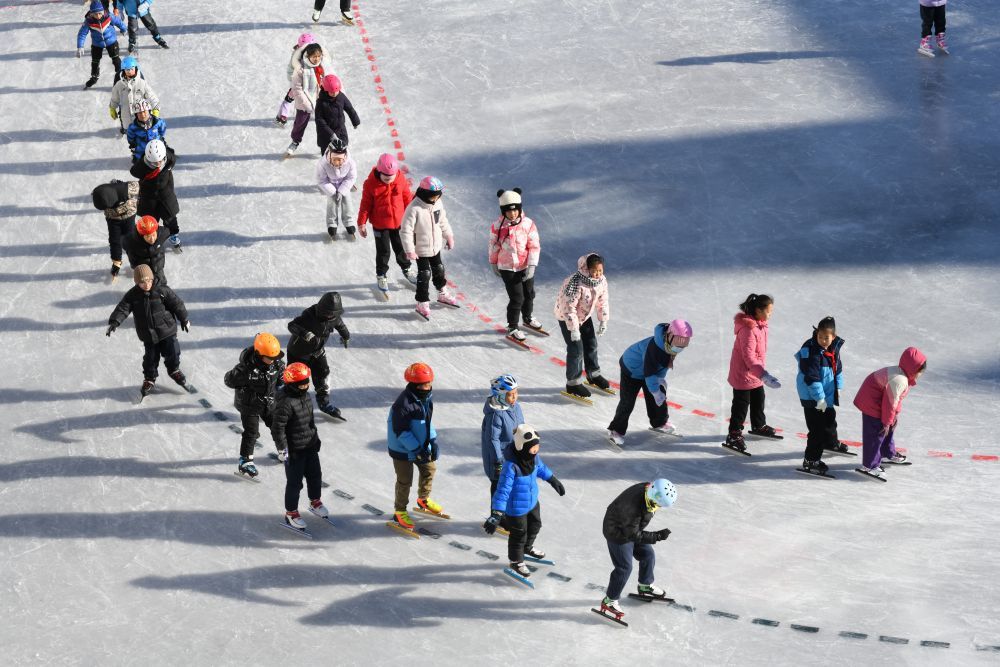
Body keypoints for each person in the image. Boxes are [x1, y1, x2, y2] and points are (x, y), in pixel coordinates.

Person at [483, 424, 565, 578]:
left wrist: (552, 479)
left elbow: (541, 468)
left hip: (532, 501)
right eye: (533, 448)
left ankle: (527, 548)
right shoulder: (511, 466)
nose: (536, 450)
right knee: (519, 534)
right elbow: (502, 490)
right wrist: (496, 513)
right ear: (522, 447)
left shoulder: (533, 458)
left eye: (537, 446)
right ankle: (516, 561)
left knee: (536, 525)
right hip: (516, 508)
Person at [597, 479, 676, 622]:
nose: (659, 507)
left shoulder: (649, 490)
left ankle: (645, 585)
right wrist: (657, 536)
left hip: (630, 527)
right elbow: (633, 535)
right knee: (624, 568)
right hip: (617, 533)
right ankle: (609, 601)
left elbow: (635, 529)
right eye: (659, 504)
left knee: (648, 554)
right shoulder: (632, 508)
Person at [105, 263, 190, 397]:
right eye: (142, 282)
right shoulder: (133, 295)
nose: (146, 284)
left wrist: (184, 319)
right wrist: (115, 322)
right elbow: (123, 308)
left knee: (173, 351)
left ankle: (174, 370)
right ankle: (149, 379)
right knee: (150, 358)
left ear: (152, 278)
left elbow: (177, 304)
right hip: (148, 334)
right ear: (137, 282)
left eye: (148, 280)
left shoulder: (162, 290)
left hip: (167, 329)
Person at [607, 320, 692, 447]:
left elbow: (662, 366)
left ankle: (659, 422)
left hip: (646, 371)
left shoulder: (669, 346)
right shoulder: (654, 348)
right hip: (631, 370)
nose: (678, 349)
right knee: (628, 401)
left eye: (682, 346)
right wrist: (655, 390)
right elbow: (650, 373)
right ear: (669, 336)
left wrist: (660, 382)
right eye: (677, 345)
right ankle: (616, 430)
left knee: (658, 396)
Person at [271, 362, 330, 530]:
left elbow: (310, 419)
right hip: (294, 450)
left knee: (315, 475)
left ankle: (315, 502)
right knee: (295, 483)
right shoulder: (285, 402)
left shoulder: (305, 395)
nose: (306, 384)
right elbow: (278, 428)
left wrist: (316, 438)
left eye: (307, 381)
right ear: (293, 383)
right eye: (303, 382)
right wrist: (282, 449)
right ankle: (291, 513)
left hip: (310, 445)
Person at [853, 347, 927, 478]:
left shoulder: (903, 376)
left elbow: (895, 400)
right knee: (877, 432)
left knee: (889, 425)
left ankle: (887, 453)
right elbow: (889, 402)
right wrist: (886, 421)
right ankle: (870, 466)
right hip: (871, 402)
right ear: (913, 369)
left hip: (878, 400)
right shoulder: (900, 380)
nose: (921, 374)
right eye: (920, 371)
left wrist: (894, 416)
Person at [387, 362, 442, 531]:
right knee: (405, 481)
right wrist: (417, 449)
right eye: (425, 384)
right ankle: (399, 511)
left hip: (421, 444)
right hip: (402, 449)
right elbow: (401, 432)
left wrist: (432, 440)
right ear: (416, 385)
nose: (429, 387)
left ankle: (423, 499)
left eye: (430, 383)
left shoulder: (425, 398)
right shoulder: (402, 404)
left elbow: (426, 422)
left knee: (429, 469)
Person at [224, 333, 286, 479]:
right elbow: (228, 380)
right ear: (258, 354)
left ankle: (284, 451)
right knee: (251, 432)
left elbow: (280, 380)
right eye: (269, 358)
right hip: (249, 405)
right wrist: (239, 378)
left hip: (269, 401)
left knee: (278, 425)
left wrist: (282, 385)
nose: (272, 361)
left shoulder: (277, 364)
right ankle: (245, 461)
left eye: (275, 357)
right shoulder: (246, 369)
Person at [725, 293, 781, 453]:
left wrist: (760, 373)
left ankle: (758, 425)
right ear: (758, 310)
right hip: (743, 373)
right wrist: (763, 374)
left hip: (755, 372)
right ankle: (734, 434)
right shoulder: (748, 329)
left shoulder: (760, 325)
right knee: (741, 405)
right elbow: (748, 357)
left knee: (758, 397)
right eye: (768, 311)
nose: (770, 314)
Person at [357, 153, 416, 295]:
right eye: (385, 178)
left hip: (399, 222)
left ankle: (406, 268)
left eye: (391, 178)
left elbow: (407, 198)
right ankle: (381, 274)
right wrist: (361, 223)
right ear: (379, 172)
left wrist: (414, 215)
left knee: (401, 247)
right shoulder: (370, 184)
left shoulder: (400, 179)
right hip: (380, 224)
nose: (389, 180)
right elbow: (365, 205)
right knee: (384, 251)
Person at [286, 292, 351, 419]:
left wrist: (346, 336)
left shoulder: (334, 317)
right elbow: (292, 325)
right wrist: (305, 333)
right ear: (321, 308)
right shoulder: (309, 315)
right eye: (327, 313)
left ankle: (323, 402)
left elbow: (340, 325)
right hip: (299, 352)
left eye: (332, 314)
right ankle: (287, 402)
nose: (330, 316)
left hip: (318, 351)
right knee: (296, 379)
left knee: (323, 373)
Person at [400, 176, 457, 319]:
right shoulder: (414, 208)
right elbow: (405, 230)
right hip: (421, 249)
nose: (435, 198)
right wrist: (409, 250)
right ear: (424, 193)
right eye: (433, 196)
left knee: (439, 269)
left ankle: (442, 292)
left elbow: (442, 221)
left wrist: (448, 236)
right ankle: (422, 301)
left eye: (438, 196)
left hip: (435, 246)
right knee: (424, 274)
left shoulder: (438, 203)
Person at [554, 253, 610, 398]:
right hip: (567, 317)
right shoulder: (574, 283)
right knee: (576, 350)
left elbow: (602, 302)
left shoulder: (601, 281)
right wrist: (573, 330)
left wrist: (603, 320)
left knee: (591, 343)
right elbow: (568, 308)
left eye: (600, 271)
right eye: (594, 271)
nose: (597, 274)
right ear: (586, 269)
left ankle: (593, 374)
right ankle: (573, 383)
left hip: (584, 316)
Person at [488, 188, 541, 343]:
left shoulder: (528, 224)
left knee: (529, 293)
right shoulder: (498, 226)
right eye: (508, 211)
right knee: (517, 298)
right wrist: (493, 262)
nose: (512, 214)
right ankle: (512, 327)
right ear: (503, 211)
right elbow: (493, 245)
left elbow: (534, 246)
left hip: (525, 264)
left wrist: (531, 265)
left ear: (519, 208)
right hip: (507, 267)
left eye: (515, 210)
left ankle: (528, 317)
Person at [795, 316, 845, 475]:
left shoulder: (832, 349)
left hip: (826, 395)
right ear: (816, 334)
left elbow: (838, 369)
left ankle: (830, 443)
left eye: (827, 337)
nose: (823, 340)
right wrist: (820, 399)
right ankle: (810, 460)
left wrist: (839, 386)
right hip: (812, 398)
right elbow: (812, 379)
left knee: (830, 419)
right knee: (817, 430)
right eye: (820, 337)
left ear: (834, 336)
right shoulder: (811, 352)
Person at [130, 139, 181, 250]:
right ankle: (149, 237)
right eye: (154, 163)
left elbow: (173, 158)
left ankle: (173, 234)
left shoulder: (169, 158)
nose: (158, 164)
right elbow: (133, 171)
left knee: (170, 216)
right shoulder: (142, 165)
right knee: (150, 219)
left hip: (165, 194)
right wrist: (144, 165)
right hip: (148, 196)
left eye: (160, 161)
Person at [481, 374, 524, 498]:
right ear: (500, 395)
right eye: (510, 394)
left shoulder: (516, 408)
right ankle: (496, 515)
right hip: (498, 461)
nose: (515, 397)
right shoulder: (496, 414)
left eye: (516, 392)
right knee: (499, 489)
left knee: (511, 488)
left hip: (513, 456)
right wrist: (498, 461)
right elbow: (492, 439)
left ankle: (508, 515)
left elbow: (521, 426)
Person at [286, 43, 329, 157]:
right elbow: (297, 89)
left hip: (319, 99)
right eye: (314, 56)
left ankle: (324, 145)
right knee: (300, 123)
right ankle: (295, 141)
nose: (317, 59)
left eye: (319, 56)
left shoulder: (321, 67)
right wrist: (307, 104)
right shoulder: (300, 70)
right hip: (304, 103)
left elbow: (325, 81)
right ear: (308, 56)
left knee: (323, 124)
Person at [91, 178, 139, 280]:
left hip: (129, 214)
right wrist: (116, 262)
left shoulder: (126, 188)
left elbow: (140, 186)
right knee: (115, 239)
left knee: (130, 238)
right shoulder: (100, 194)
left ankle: (136, 260)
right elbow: (114, 242)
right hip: (113, 218)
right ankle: (117, 262)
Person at [76, 0, 126, 89]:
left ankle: (121, 76)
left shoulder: (109, 16)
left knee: (116, 59)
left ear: (103, 11)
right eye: (95, 14)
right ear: (91, 14)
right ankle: (94, 76)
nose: (98, 16)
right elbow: (82, 33)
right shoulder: (88, 21)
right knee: (95, 61)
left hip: (111, 41)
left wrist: (123, 29)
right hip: (97, 43)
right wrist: (80, 46)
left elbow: (118, 22)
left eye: (100, 13)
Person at [315, 137, 358, 240]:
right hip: (330, 184)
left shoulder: (350, 163)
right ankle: (332, 224)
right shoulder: (322, 163)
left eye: (340, 160)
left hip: (344, 184)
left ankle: (349, 222)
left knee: (347, 201)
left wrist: (342, 191)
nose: (337, 162)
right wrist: (333, 192)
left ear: (344, 157)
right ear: (330, 155)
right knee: (332, 203)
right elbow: (321, 180)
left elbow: (351, 177)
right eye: (335, 159)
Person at [108, 55, 158, 134]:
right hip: (126, 115)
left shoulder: (142, 83)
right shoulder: (119, 84)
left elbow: (151, 96)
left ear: (136, 68)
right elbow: (115, 97)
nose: (129, 71)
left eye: (131, 69)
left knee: (142, 133)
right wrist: (112, 108)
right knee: (129, 133)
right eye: (127, 70)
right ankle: (127, 132)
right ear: (123, 70)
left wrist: (155, 108)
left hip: (140, 114)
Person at [314, 74, 360, 155]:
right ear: (325, 89)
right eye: (332, 92)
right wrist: (331, 134)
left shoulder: (341, 96)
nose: (335, 93)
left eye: (336, 91)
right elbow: (319, 120)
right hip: (326, 134)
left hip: (340, 130)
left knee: (342, 151)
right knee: (327, 154)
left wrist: (355, 120)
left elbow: (349, 108)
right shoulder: (321, 102)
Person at [276, 33, 316, 126]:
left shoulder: (313, 54)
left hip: (309, 81)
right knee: (290, 97)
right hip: (297, 81)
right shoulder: (296, 57)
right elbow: (290, 70)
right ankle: (282, 115)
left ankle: (318, 113)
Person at [122, 215, 169, 285]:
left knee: (161, 282)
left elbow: (168, 231)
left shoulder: (162, 233)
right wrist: (136, 266)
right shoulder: (131, 241)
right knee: (144, 285)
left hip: (158, 263)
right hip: (144, 267)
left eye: (153, 235)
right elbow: (127, 249)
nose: (152, 239)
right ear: (141, 235)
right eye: (148, 236)